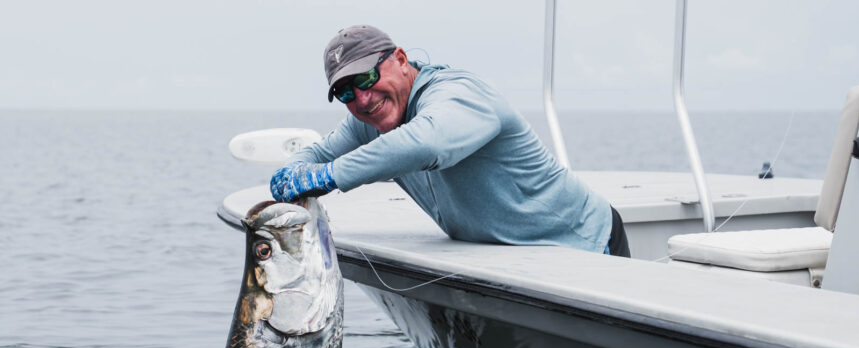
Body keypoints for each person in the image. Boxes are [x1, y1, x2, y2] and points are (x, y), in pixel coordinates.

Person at [269, 25, 630, 257]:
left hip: (584, 247)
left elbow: (424, 144)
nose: (362, 99)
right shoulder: (374, 117)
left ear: (400, 58)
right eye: (346, 92)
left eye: (365, 78)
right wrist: (293, 172)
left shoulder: (459, 94)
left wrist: (326, 177)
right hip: (511, 258)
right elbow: (316, 152)